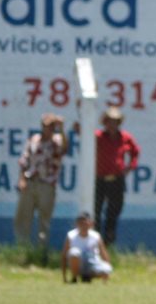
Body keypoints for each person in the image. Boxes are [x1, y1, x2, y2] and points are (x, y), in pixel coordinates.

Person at [14, 113, 67, 249]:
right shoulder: (34, 140)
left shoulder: (57, 141)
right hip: (31, 182)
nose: (47, 129)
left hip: (47, 185)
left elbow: (65, 149)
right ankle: (22, 248)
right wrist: (22, 180)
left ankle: (41, 251)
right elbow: (24, 161)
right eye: (45, 126)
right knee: (23, 217)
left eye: (51, 126)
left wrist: (62, 128)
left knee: (44, 220)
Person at [93, 107, 140, 245]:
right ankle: (95, 244)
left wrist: (130, 166)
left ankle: (108, 245)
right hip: (100, 180)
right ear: (105, 122)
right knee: (95, 212)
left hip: (116, 181)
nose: (112, 125)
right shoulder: (99, 136)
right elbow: (84, 135)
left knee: (113, 213)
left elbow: (135, 152)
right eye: (109, 121)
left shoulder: (125, 138)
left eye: (115, 122)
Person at [60, 212, 112, 283]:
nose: (83, 225)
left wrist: (107, 271)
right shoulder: (71, 236)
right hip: (78, 265)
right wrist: (64, 277)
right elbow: (64, 256)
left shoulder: (96, 236)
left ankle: (87, 277)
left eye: (85, 222)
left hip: (92, 264)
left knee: (106, 269)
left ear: (91, 223)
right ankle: (74, 278)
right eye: (80, 222)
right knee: (74, 253)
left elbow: (103, 254)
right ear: (76, 224)